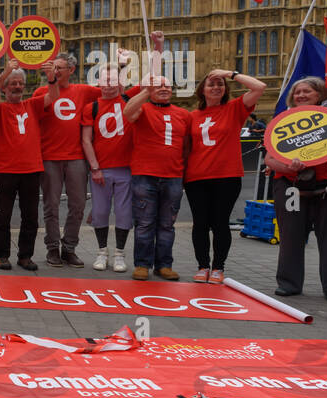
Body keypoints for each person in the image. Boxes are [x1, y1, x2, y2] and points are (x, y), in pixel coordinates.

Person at [184, 68, 267, 284]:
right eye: (211, 84)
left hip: (227, 176)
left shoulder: (235, 108)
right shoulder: (192, 116)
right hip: (196, 177)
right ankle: (202, 266)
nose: (216, 87)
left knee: (220, 223)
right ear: (202, 90)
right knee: (200, 223)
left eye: (220, 84)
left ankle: (218, 267)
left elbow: (259, 87)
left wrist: (230, 73)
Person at [264, 76, 327, 302]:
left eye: (307, 91)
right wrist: (289, 167)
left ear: (320, 94)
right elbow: (269, 159)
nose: (300, 95)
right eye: (297, 92)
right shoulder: (282, 120)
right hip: (291, 187)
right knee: (291, 236)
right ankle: (288, 284)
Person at [0, 58, 55, 270]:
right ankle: (2, 255)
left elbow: (54, 96)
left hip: (32, 170)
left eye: (20, 83)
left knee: (31, 217)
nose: (16, 86)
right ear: (4, 88)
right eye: (12, 83)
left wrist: (51, 77)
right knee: (2, 216)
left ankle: (25, 256)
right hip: (3, 171)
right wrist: (4, 73)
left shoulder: (32, 105)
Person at [124, 57, 191, 281]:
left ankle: (164, 265)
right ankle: (142, 264)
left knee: (167, 225)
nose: (163, 89)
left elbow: (187, 147)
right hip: (145, 175)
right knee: (144, 223)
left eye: (167, 86)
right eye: (158, 86)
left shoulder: (184, 115)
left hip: (173, 176)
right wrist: (145, 91)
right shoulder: (142, 108)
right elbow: (127, 112)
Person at [33, 53, 98, 268]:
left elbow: (113, 92)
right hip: (49, 157)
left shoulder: (83, 91)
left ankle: (69, 248)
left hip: (76, 158)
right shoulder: (41, 92)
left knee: (77, 205)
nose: (57, 71)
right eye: (54, 67)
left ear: (71, 70)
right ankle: (52, 248)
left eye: (60, 67)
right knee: (51, 206)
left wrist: (124, 64)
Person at [80, 63, 134, 273]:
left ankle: (119, 253)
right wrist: (95, 168)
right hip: (101, 170)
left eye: (113, 81)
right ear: (99, 83)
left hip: (126, 169)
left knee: (123, 214)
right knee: (100, 212)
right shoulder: (91, 107)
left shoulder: (129, 100)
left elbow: (152, 82)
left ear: (120, 82)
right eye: (105, 81)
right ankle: (102, 252)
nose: (109, 85)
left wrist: (156, 47)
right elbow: (86, 140)